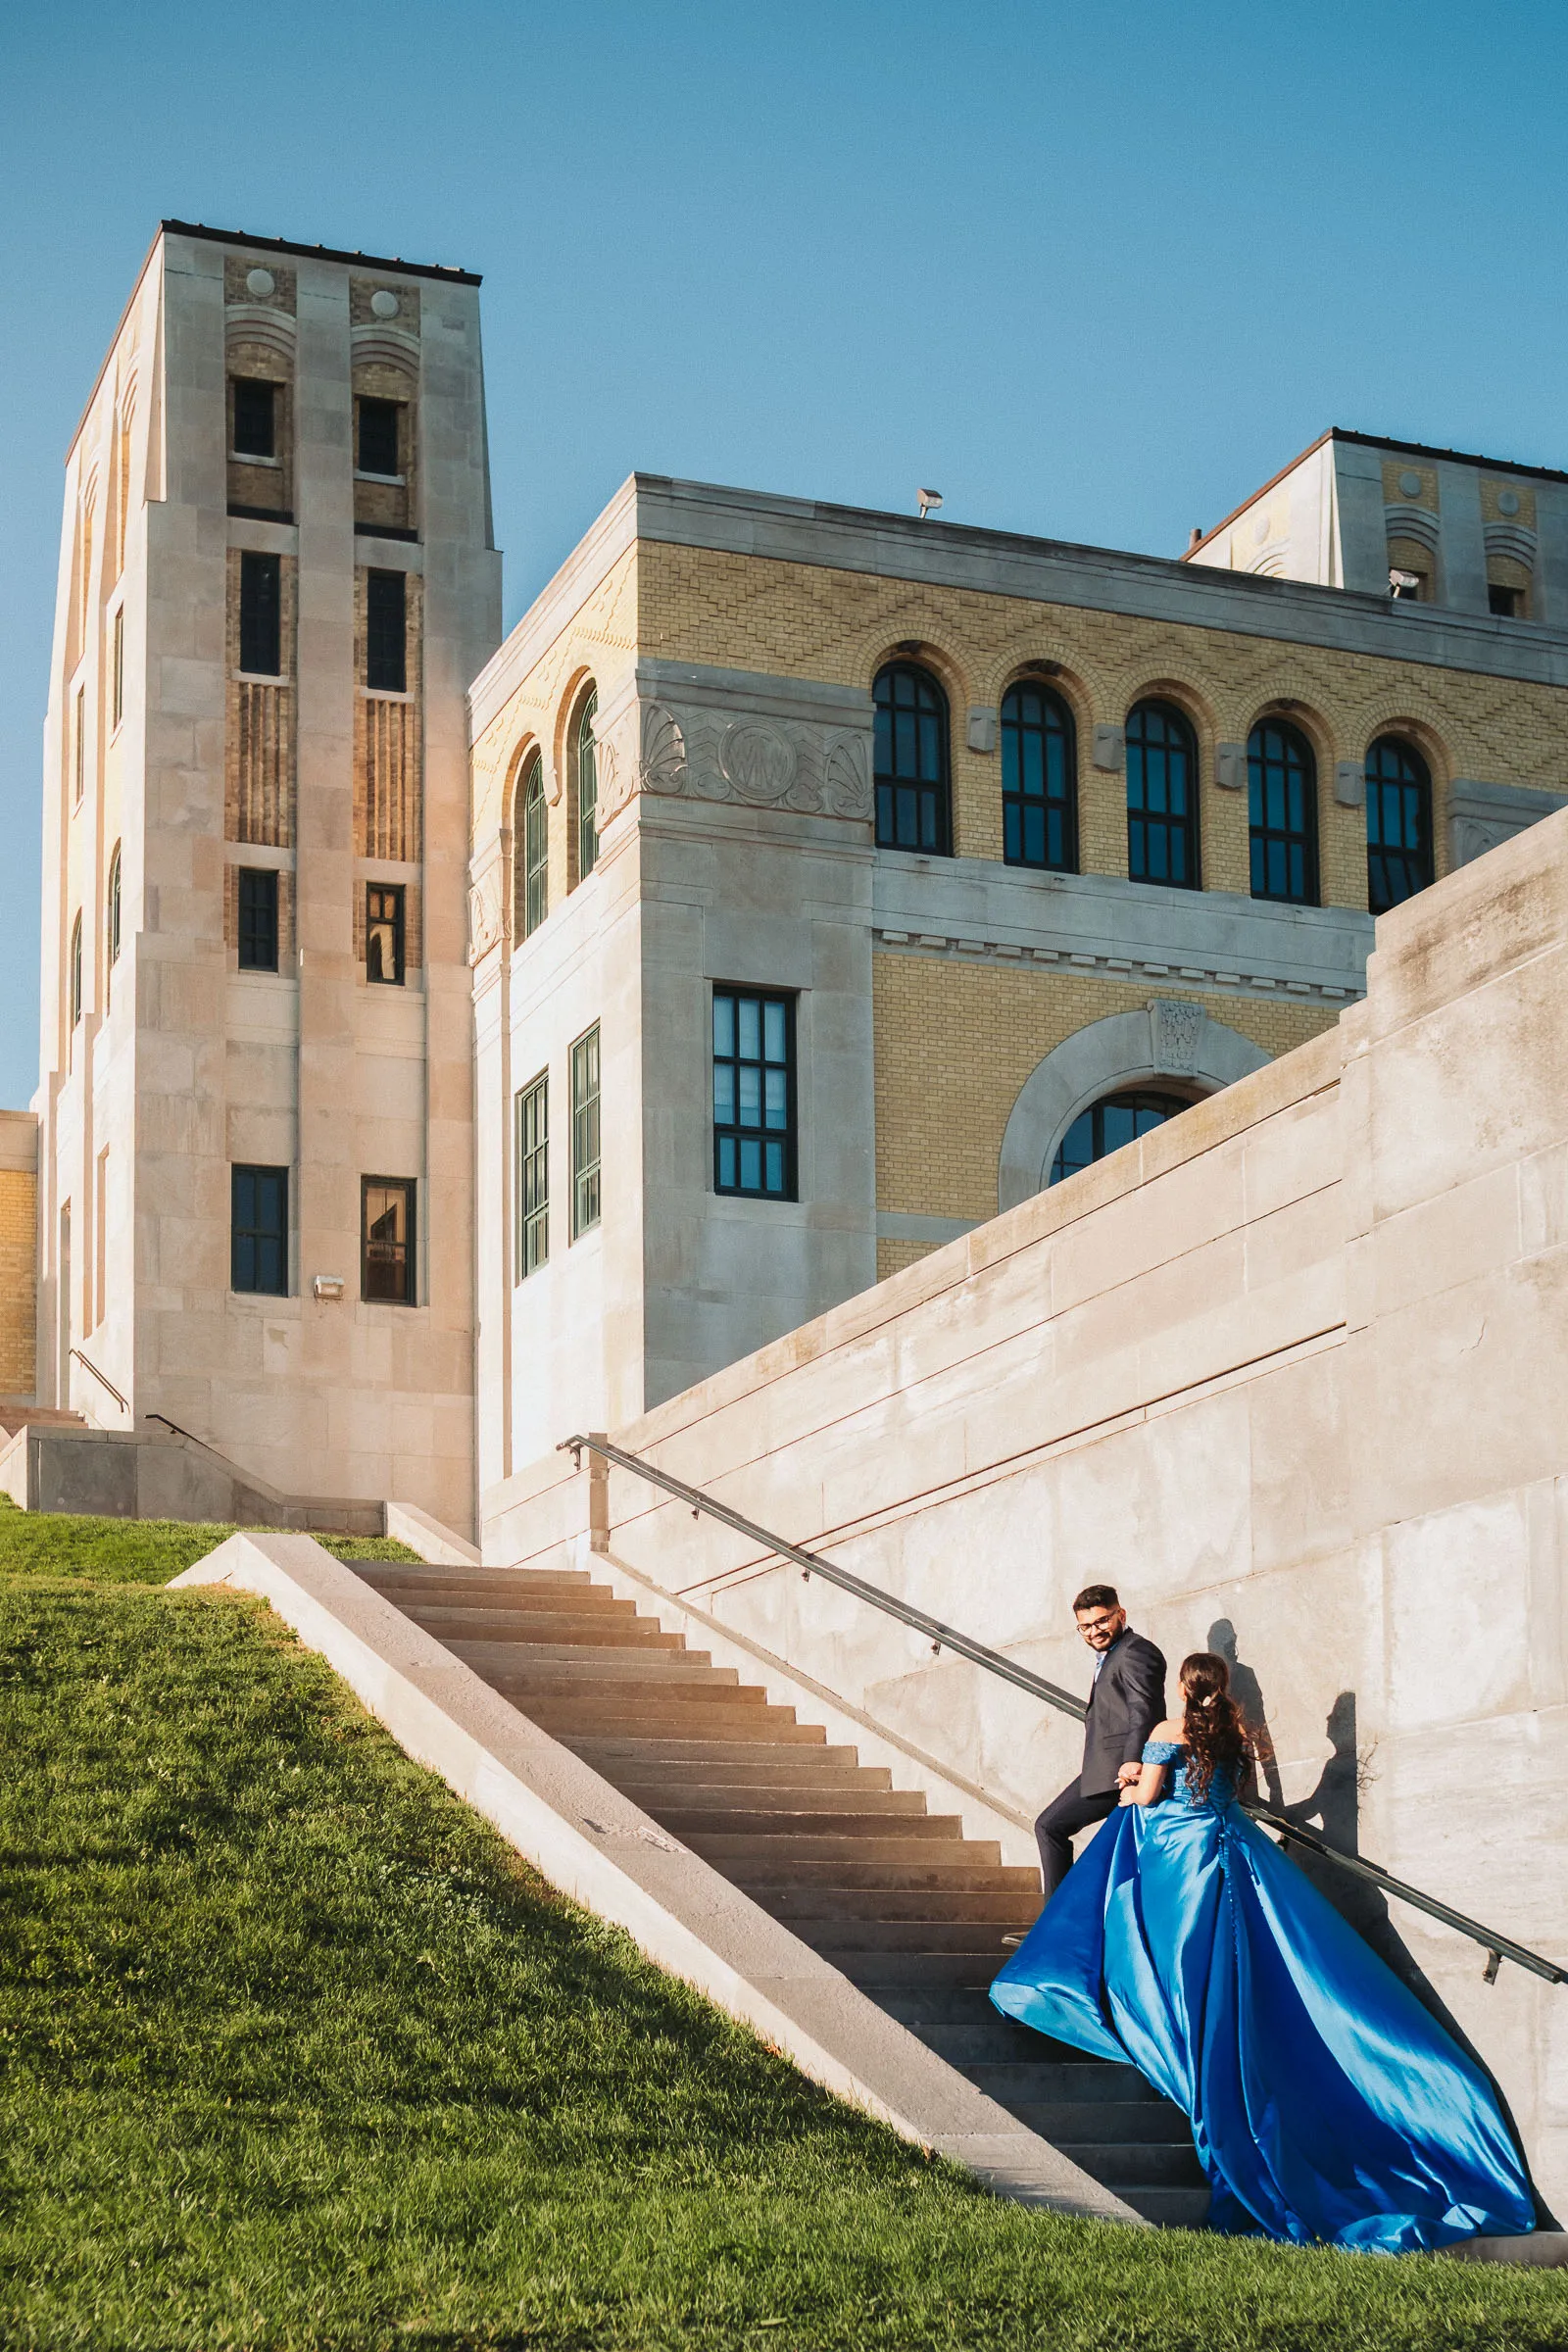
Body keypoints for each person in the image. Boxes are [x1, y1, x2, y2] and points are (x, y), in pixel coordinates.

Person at [993, 1652, 1536, 2252]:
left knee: (1173, 1964)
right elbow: (1246, 1798)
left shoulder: (1166, 1732)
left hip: (1179, 1859)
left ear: (1181, 1686)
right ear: (1221, 1689)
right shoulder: (1237, 1736)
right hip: (1229, 1851)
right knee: (1231, 1967)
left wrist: (1127, 1783)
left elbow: (1148, 1800)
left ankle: (1164, 2034)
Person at [1032, 1585, 1166, 1899]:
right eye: (1085, 1627)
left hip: (1120, 1772)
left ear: (1121, 1614)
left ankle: (1057, 1920)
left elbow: (1144, 1708)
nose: (1095, 1632)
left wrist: (1134, 1759)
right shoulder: (1112, 1655)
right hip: (1106, 1770)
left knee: (1050, 1826)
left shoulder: (1135, 1651)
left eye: (1102, 1621)